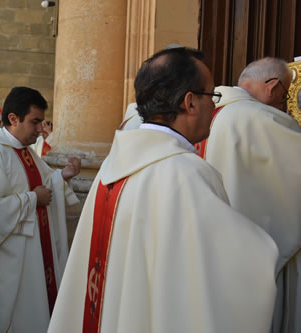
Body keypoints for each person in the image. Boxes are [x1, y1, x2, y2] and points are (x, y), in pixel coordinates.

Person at [48, 47, 278, 333]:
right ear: (190, 102)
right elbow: (231, 275)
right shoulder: (185, 174)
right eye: (212, 96)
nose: (214, 107)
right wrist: (268, 250)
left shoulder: (113, 166)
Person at [0, 86, 81, 333]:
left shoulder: (24, 150)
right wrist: (31, 199)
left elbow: (44, 185)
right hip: (11, 258)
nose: (40, 129)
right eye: (35, 122)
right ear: (13, 119)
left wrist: (62, 177)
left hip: (34, 251)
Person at [204, 57, 301, 333]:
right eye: (283, 97)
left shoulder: (208, 112)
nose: (283, 104)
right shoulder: (260, 118)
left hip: (213, 246)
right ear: (272, 86)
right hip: (254, 256)